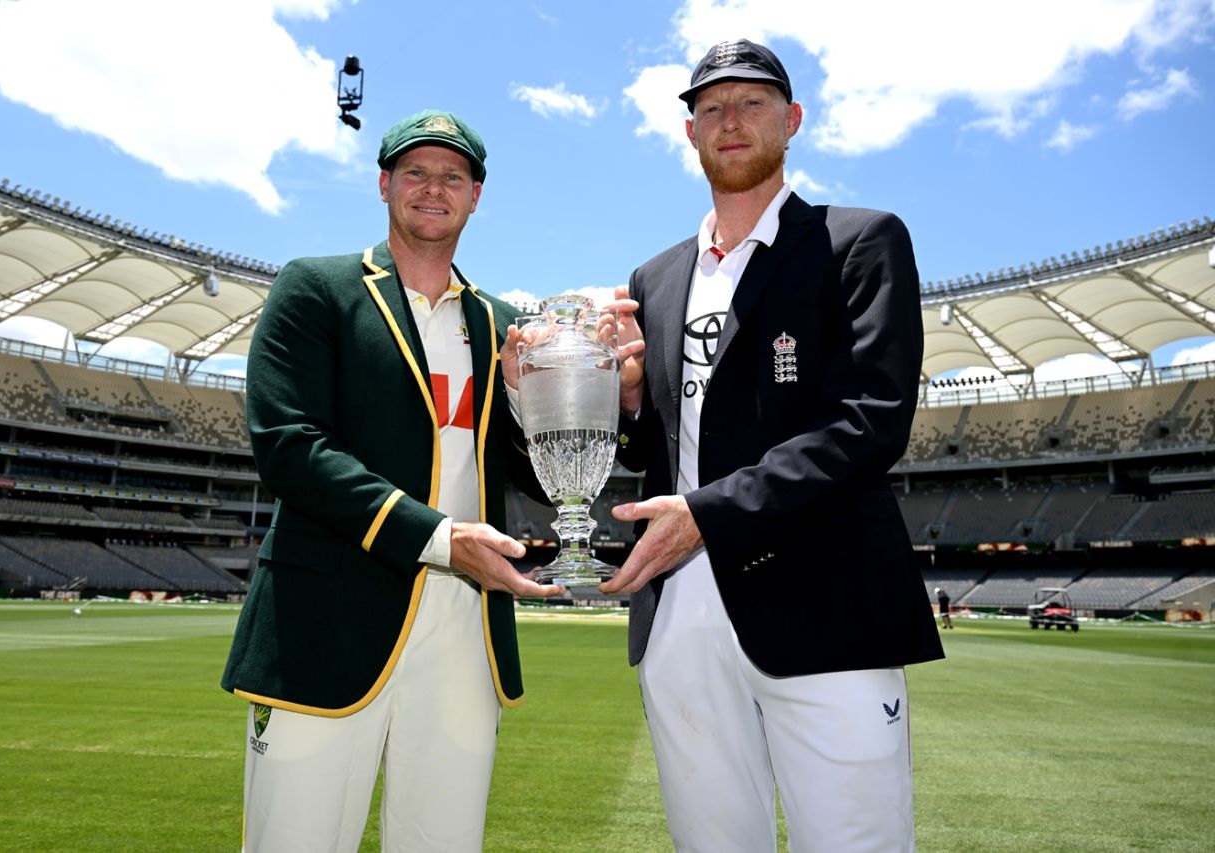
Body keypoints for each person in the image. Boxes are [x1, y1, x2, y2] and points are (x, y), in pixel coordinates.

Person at [601, 39, 946, 852]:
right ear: (690, 133)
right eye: (710, 107)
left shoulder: (860, 240)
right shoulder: (654, 278)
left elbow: (870, 419)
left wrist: (708, 516)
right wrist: (623, 401)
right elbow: (664, 439)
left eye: (751, 103)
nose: (730, 120)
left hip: (827, 605)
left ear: (791, 121)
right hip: (681, 617)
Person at [221, 109, 562, 853]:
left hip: (465, 633)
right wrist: (439, 538)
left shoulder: (502, 324)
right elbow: (290, 447)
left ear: (477, 195)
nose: (431, 187)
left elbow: (536, 476)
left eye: (452, 175)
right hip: (326, 624)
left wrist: (553, 401)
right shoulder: (317, 288)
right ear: (383, 184)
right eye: (414, 171)